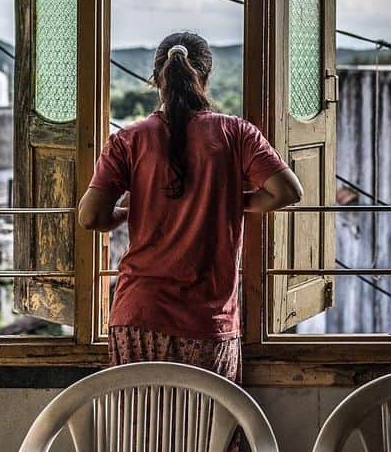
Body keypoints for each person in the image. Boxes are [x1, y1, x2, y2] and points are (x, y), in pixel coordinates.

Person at [79, 31, 302, 385]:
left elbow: (91, 217)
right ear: (207, 76)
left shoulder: (127, 140)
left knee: (141, 432)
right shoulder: (236, 133)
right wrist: (226, 200)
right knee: (206, 432)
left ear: (157, 79)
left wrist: (127, 211)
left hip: (138, 312)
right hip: (206, 321)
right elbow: (287, 191)